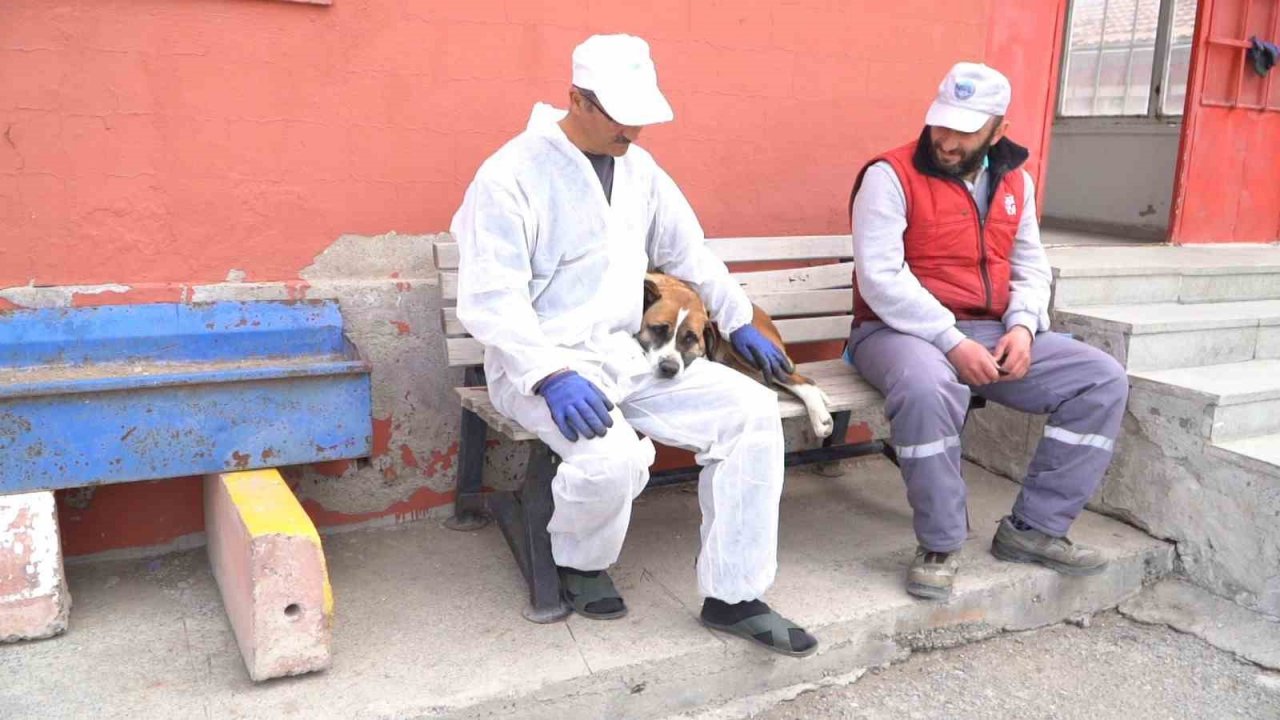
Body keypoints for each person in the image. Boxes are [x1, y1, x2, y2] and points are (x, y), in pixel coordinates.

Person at [451, 34, 817, 656]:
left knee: (752, 415)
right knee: (612, 458)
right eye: (621, 116)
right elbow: (493, 299)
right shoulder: (510, 175)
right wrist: (547, 373)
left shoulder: (639, 169)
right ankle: (580, 560)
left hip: (630, 354)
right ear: (577, 99)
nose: (635, 131)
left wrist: (738, 317)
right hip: (542, 366)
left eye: (641, 116)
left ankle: (734, 594)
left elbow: (688, 253)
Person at [845, 62, 1129, 601]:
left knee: (1101, 379)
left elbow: (1030, 265)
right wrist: (952, 341)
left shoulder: (1015, 182)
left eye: (965, 130)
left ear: (998, 130)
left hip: (994, 328)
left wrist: (1023, 327)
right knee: (930, 387)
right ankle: (940, 543)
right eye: (940, 124)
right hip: (896, 333)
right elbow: (880, 279)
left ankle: (1035, 528)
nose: (947, 141)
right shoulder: (889, 175)